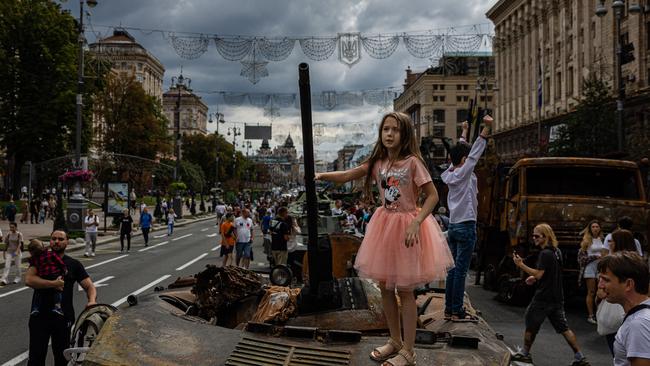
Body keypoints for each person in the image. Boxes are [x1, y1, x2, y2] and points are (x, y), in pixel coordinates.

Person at [315, 112, 453, 366]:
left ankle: (409, 352)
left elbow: (432, 195)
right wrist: (322, 176)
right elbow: (348, 175)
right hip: (384, 225)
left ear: (405, 134)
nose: (389, 134)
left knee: (405, 290)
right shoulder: (378, 162)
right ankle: (395, 341)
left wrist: (416, 221)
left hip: (407, 229)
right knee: (385, 288)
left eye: (395, 130)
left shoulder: (413, 163)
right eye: (385, 129)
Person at [511, 223, 591, 366]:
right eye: (533, 235)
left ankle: (524, 354)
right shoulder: (557, 251)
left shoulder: (545, 253)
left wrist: (521, 264)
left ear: (545, 237)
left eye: (537, 236)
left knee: (531, 324)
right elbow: (551, 272)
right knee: (564, 328)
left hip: (543, 297)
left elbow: (540, 274)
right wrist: (534, 278)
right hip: (557, 297)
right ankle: (580, 357)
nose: (534, 238)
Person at [441, 115, 492, 322]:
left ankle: (448, 309)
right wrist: (486, 128)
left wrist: (463, 132)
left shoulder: (451, 173)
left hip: (453, 226)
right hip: (466, 225)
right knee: (461, 271)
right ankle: (456, 311)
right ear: (464, 161)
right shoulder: (465, 171)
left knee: (453, 271)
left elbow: (460, 154)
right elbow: (473, 155)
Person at [25, 229, 96, 366]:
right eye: (54, 238)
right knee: (36, 358)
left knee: (62, 357)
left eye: (60, 239)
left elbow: (89, 286)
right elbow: (29, 280)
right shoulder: (40, 258)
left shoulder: (74, 264)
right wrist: (54, 284)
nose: (56, 241)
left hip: (63, 319)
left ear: (67, 242)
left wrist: (92, 301)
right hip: (39, 317)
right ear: (49, 241)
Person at [597, 252, 650, 366]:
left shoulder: (638, 324)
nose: (600, 285)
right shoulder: (641, 317)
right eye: (600, 279)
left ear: (628, 284)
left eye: (606, 280)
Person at [597, 229, 639, 356]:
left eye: (612, 241)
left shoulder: (613, 264)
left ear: (618, 243)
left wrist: (601, 293)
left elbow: (601, 292)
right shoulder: (638, 262)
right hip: (635, 308)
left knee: (618, 351)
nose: (609, 243)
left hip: (617, 307)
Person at [27, 239, 66, 316]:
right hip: (53, 275)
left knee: (38, 292)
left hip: (43, 276)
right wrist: (64, 270)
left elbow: (31, 262)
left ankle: (35, 308)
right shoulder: (51, 254)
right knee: (57, 292)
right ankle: (57, 306)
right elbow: (60, 262)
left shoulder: (35, 259)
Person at [578, 219, 606, 324]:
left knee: (601, 291)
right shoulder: (586, 240)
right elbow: (582, 256)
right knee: (591, 292)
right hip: (590, 267)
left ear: (599, 228)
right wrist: (595, 256)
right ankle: (590, 315)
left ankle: (599, 314)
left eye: (597, 227)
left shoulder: (602, 239)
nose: (595, 228)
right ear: (590, 228)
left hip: (600, 267)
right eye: (593, 227)